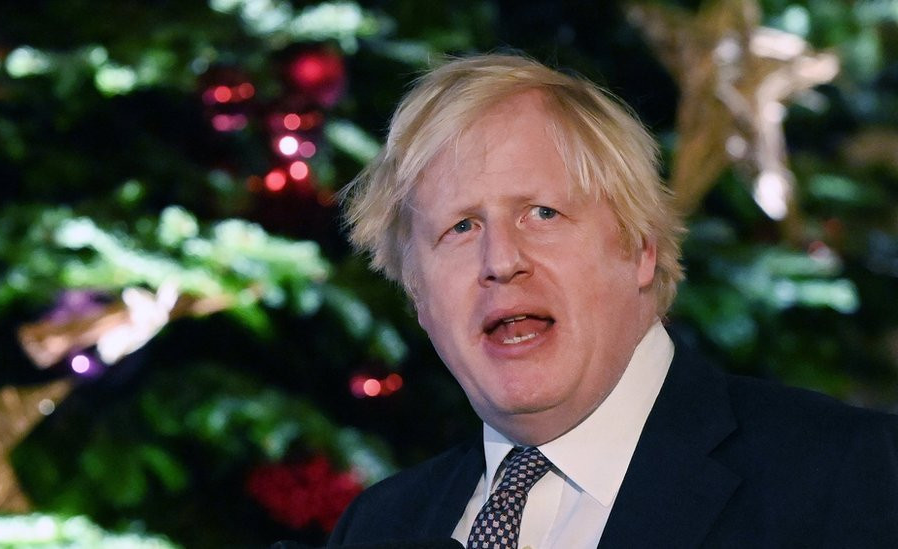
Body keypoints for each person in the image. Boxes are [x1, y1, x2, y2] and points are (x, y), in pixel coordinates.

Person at [326, 54, 898, 548]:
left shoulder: (849, 475)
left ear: (640, 246)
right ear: (417, 295)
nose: (500, 261)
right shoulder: (377, 527)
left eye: (542, 213)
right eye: (460, 227)